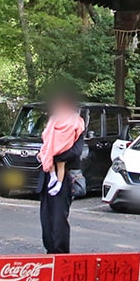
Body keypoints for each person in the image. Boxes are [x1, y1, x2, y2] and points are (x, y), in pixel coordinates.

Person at [36, 93, 85, 254]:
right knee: (46, 217)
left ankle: (60, 252)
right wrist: (45, 154)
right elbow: (45, 143)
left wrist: (54, 155)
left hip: (65, 177)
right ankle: (49, 250)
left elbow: (75, 152)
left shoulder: (76, 124)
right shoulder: (53, 123)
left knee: (59, 217)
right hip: (47, 175)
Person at [37, 99, 85, 197]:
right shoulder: (74, 121)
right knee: (58, 163)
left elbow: (76, 151)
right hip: (60, 154)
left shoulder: (57, 120)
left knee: (55, 160)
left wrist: (59, 155)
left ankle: (55, 179)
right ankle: (56, 180)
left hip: (66, 170)